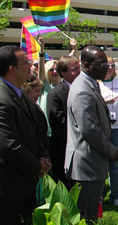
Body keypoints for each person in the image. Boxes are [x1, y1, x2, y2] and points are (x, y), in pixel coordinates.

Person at [64, 46, 118, 222]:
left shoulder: (90, 84)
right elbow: (90, 130)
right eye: (101, 63)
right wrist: (111, 151)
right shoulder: (82, 90)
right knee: (86, 216)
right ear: (86, 65)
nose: (106, 67)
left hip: (92, 162)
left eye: (107, 62)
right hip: (86, 165)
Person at [0, 45, 51, 224]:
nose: (30, 65)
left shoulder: (18, 91)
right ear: (12, 69)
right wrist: (37, 166)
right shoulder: (2, 98)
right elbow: (9, 145)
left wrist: (43, 157)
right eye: (25, 63)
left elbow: (35, 130)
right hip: (9, 185)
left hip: (24, 181)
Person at [46, 55, 80, 189]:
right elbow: (58, 122)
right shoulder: (56, 94)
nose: (79, 71)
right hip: (64, 148)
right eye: (74, 69)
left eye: (79, 68)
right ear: (63, 73)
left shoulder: (85, 89)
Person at [99, 56, 118, 206]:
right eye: (107, 65)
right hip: (102, 128)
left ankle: (115, 195)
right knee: (102, 162)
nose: (110, 68)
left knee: (114, 163)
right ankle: (101, 194)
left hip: (116, 128)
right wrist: (105, 102)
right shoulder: (96, 83)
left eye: (112, 65)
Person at [22, 75, 50, 206]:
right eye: (36, 91)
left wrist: (45, 156)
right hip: (30, 162)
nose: (39, 94)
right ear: (26, 90)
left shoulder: (36, 108)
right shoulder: (22, 110)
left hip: (41, 158)